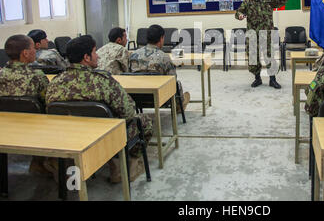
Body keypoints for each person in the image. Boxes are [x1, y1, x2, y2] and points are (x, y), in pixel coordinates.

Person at [46, 35, 151, 182]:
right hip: (105, 139)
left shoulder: (54, 83)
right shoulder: (102, 81)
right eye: (95, 52)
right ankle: (124, 167)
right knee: (144, 121)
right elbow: (128, 112)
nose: (97, 56)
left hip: (70, 139)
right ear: (86, 57)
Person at [0, 34, 50, 175]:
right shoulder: (36, 76)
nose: (35, 51)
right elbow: (49, 100)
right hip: (34, 129)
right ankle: (42, 162)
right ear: (25, 53)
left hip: (4, 129)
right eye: (33, 47)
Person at [235, 0, 288, 89]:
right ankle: (257, 78)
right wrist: (240, 15)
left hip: (267, 32)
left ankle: (272, 80)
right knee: (253, 57)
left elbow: (280, 2)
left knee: (269, 55)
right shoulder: (247, 0)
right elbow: (239, 11)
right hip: (252, 33)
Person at [129, 25, 190, 112]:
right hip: (160, 97)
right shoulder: (164, 57)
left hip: (138, 97)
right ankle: (179, 106)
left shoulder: (134, 55)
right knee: (177, 84)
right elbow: (173, 79)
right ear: (161, 38)